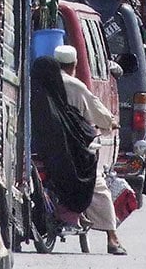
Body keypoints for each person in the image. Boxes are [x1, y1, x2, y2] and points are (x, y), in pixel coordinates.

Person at [54, 44, 127, 255]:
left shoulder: (41, 82)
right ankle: (112, 238)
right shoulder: (75, 86)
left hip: (43, 149)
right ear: (73, 65)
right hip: (74, 150)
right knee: (98, 187)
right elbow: (99, 113)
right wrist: (110, 122)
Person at [29, 55, 98, 231]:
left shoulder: (29, 98)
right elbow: (80, 129)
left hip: (33, 155)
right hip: (59, 161)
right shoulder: (57, 107)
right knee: (86, 163)